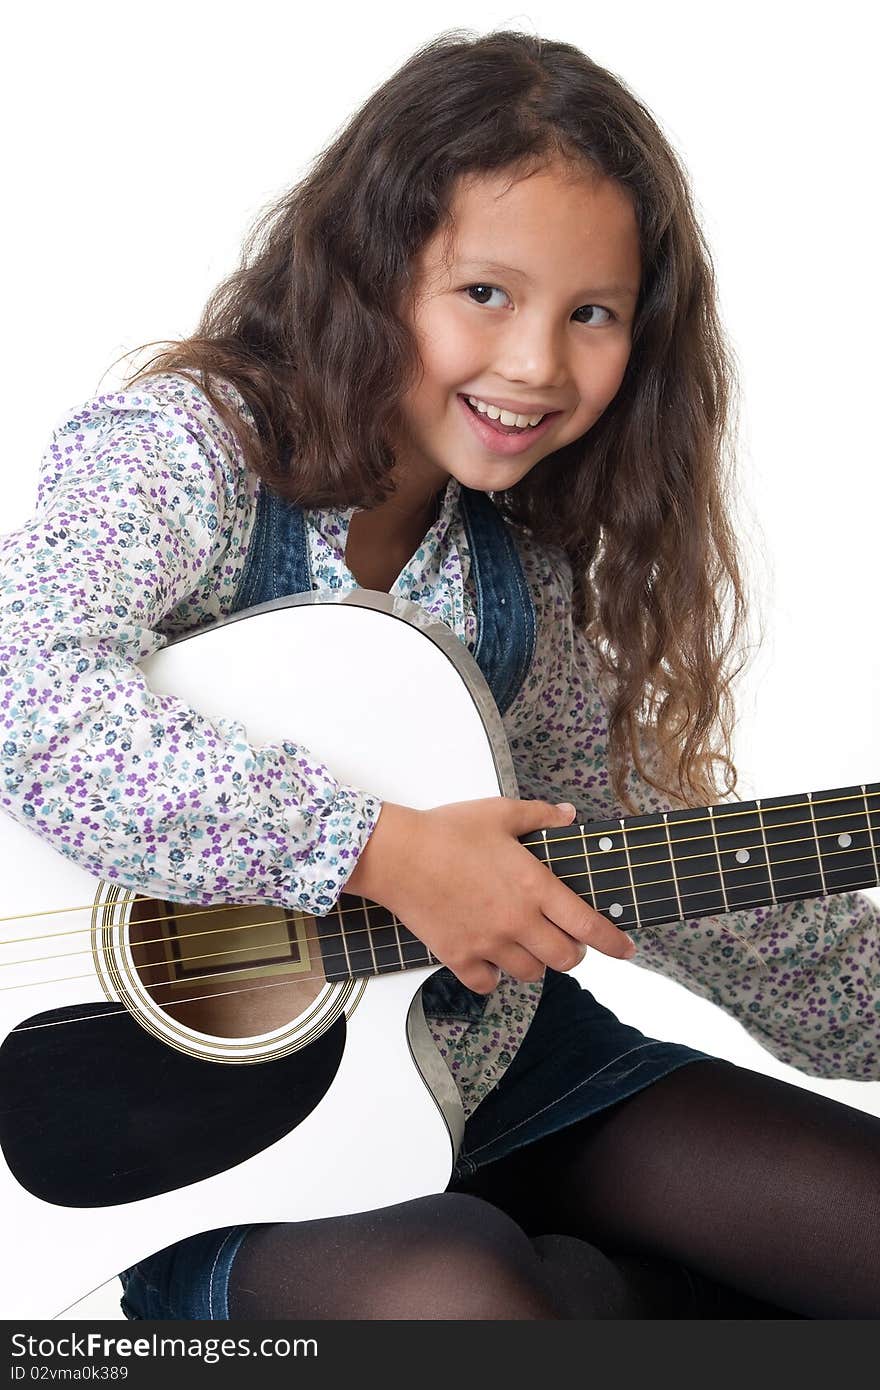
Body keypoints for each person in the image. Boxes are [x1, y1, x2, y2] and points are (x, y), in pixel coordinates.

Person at [1, 29, 879, 1320]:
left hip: (494, 1075)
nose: (534, 363)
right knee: (461, 1297)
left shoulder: (515, 582)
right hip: (224, 1151)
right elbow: (28, 692)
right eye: (487, 294)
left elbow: (654, 860)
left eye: (592, 315)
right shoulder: (187, 453)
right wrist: (382, 849)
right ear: (373, 269)